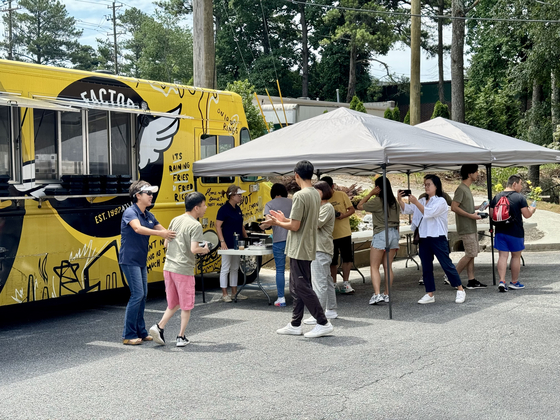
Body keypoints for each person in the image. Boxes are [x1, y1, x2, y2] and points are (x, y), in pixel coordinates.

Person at [267, 160, 334, 338]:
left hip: (299, 246)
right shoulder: (314, 194)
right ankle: (296, 323)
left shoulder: (299, 195)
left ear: (296, 175)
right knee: (297, 285)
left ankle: (322, 321)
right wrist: (283, 219)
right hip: (308, 245)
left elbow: (295, 226)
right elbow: (299, 222)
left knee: (302, 285)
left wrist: (277, 222)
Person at [149, 192, 209, 347]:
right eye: (204, 205)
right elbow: (195, 249)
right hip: (183, 269)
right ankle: (180, 337)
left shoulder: (175, 219)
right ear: (196, 208)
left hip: (169, 266)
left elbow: (166, 244)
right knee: (186, 305)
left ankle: (159, 326)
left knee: (174, 302)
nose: (206, 208)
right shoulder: (195, 225)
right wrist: (206, 248)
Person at [119, 180, 176, 345]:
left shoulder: (148, 215)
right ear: (138, 196)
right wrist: (161, 235)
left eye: (152, 193)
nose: (152, 196)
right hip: (129, 260)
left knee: (142, 295)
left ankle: (141, 332)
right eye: (148, 193)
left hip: (140, 260)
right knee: (137, 294)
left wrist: (176, 235)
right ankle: (128, 335)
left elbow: (165, 231)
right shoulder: (130, 212)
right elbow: (138, 229)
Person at [398, 174, 467, 305]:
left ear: (436, 186)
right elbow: (408, 210)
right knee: (426, 266)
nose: (426, 187)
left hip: (438, 237)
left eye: (428, 184)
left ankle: (460, 288)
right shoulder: (423, 201)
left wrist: (416, 202)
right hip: (424, 238)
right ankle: (429, 293)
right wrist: (400, 200)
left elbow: (429, 213)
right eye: (425, 184)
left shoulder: (440, 201)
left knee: (446, 264)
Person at [489, 174, 536, 292]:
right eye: (520, 184)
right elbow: (527, 215)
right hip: (515, 232)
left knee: (502, 256)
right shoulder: (519, 198)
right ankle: (514, 282)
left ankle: (501, 281)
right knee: (516, 256)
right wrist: (532, 209)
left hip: (500, 231)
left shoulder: (497, 197)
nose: (521, 187)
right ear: (514, 184)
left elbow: (491, 214)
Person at [357, 177, 400, 305]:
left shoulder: (377, 201)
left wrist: (370, 193)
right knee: (388, 266)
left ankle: (377, 294)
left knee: (374, 266)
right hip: (394, 234)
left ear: (378, 188)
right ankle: (387, 294)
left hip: (381, 233)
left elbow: (359, 206)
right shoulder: (394, 203)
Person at [304, 180, 338, 324]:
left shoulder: (327, 207)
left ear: (322, 192)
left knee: (319, 282)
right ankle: (331, 309)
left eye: (315, 191)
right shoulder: (323, 206)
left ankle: (318, 314)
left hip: (321, 248)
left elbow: (316, 224)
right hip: (322, 248)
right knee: (327, 280)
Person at [451, 164, 487, 289]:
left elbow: (467, 208)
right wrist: (471, 216)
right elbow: (454, 207)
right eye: (476, 172)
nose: (478, 174)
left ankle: (471, 280)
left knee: (472, 253)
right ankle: (452, 277)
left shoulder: (466, 188)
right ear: (470, 173)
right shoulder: (461, 189)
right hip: (466, 227)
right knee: (471, 253)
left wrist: (481, 207)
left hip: (470, 226)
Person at [321, 176, 356, 294]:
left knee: (347, 258)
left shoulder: (341, 195)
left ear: (332, 186)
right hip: (330, 235)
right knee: (332, 261)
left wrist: (342, 215)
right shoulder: (319, 198)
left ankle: (346, 282)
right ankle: (333, 284)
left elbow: (351, 209)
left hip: (344, 232)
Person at [260, 183, 292, 307]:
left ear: (273, 193)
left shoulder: (270, 204)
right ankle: (298, 296)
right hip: (293, 239)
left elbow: (267, 224)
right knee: (296, 269)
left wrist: (261, 226)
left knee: (280, 269)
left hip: (279, 240)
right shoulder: (292, 202)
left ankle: (281, 298)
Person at [216, 184, 249, 302]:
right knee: (225, 267)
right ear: (232, 196)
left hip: (237, 243)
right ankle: (225, 294)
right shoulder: (223, 209)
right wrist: (222, 241)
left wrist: (246, 238)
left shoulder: (238, 209)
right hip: (227, 242)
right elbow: (218, 226)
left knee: (235, 267)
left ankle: (234, 292)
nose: (241, 197)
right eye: (239, 195)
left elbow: (241, 225)